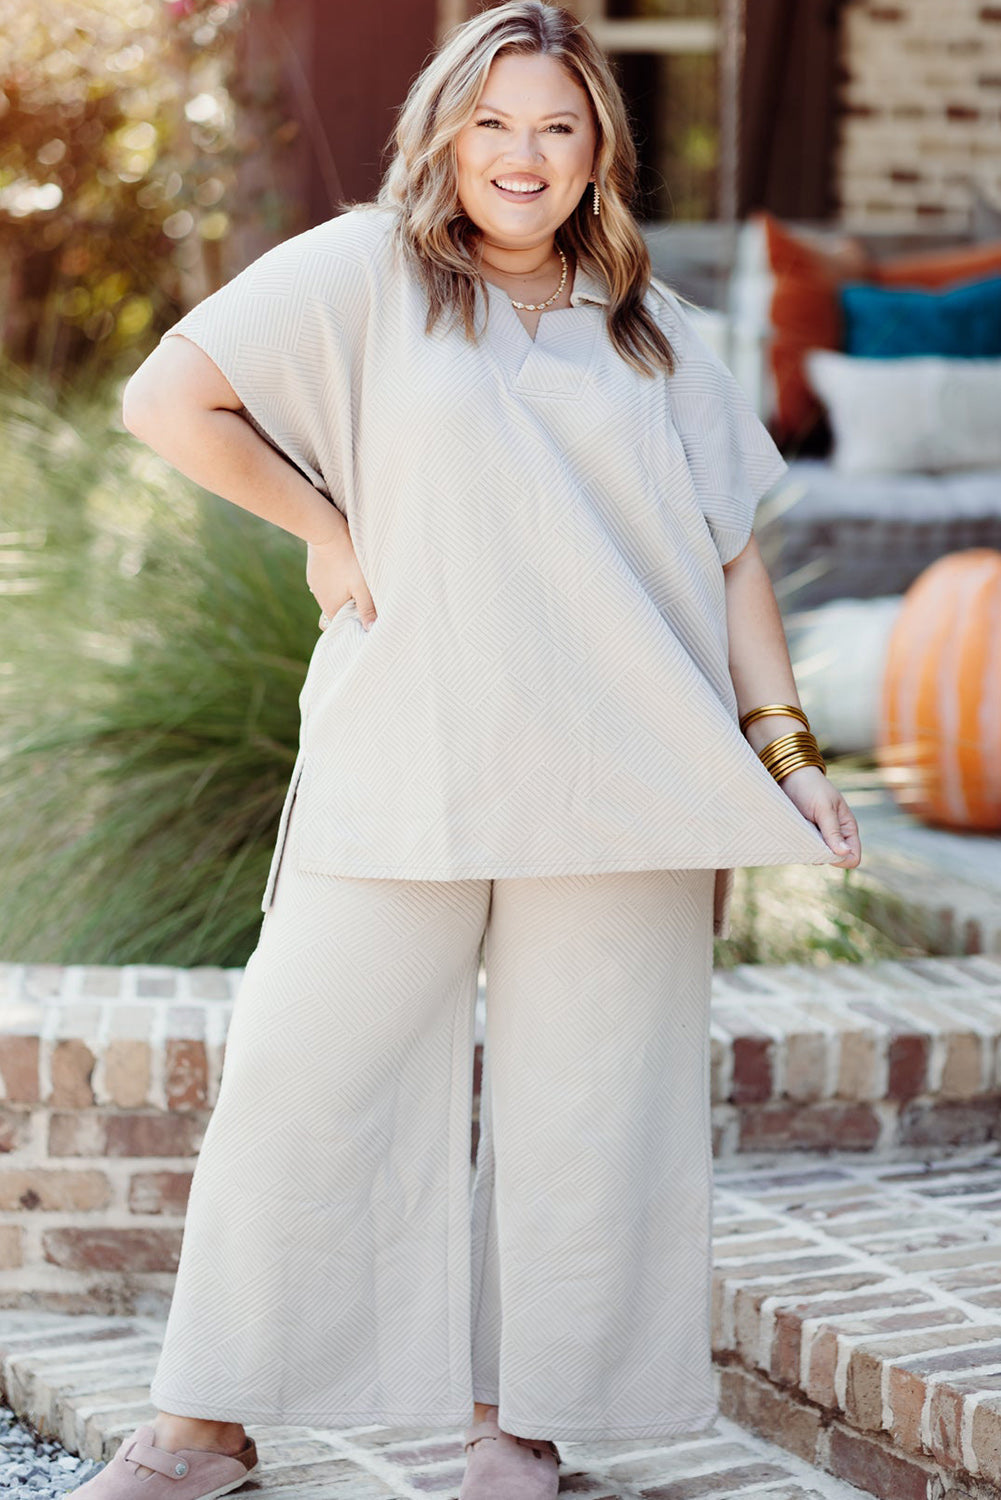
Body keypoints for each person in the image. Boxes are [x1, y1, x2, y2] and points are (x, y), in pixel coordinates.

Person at [81, 4, 861, 1498]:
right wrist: (327, 526)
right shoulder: (368, 272)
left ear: (597, 154)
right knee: (303, 1074)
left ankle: (521, 1429)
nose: (524, 155)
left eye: (558, 129)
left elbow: (729, 560)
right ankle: (201, 1428)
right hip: (409, 747)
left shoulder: (652, 324)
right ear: (445, 132)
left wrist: (785, 749)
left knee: (590, 1111)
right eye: (494, 124)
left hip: (626, 774)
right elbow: (166, 397)